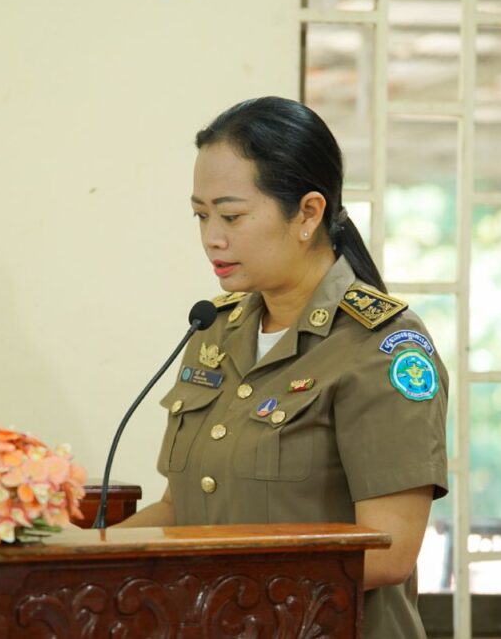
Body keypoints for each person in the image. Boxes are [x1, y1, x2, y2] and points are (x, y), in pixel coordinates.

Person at [116, 96, 448, 638]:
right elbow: (181, 512)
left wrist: (218, 586)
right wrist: (77, 550)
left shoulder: (381, 346)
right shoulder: (213, 332)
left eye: (231, 215)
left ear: (308, 213)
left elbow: (388, 553)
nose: (211, 237)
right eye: (201, 215)